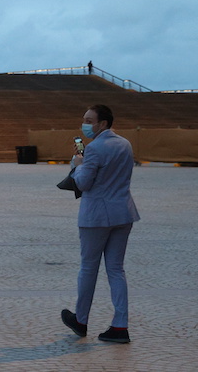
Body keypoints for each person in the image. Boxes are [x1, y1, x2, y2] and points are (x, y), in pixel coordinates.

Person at [61, 104, 140, 344]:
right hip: (123, 213)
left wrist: (77, 164)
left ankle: (81, 319)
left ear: (102, 123)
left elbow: (83, 183)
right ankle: (120, 325)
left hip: (96, 216)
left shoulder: (94, 148)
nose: (84, 124)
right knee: (116, 269)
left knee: (88, 268)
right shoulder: (125, 144)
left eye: (89, 119)